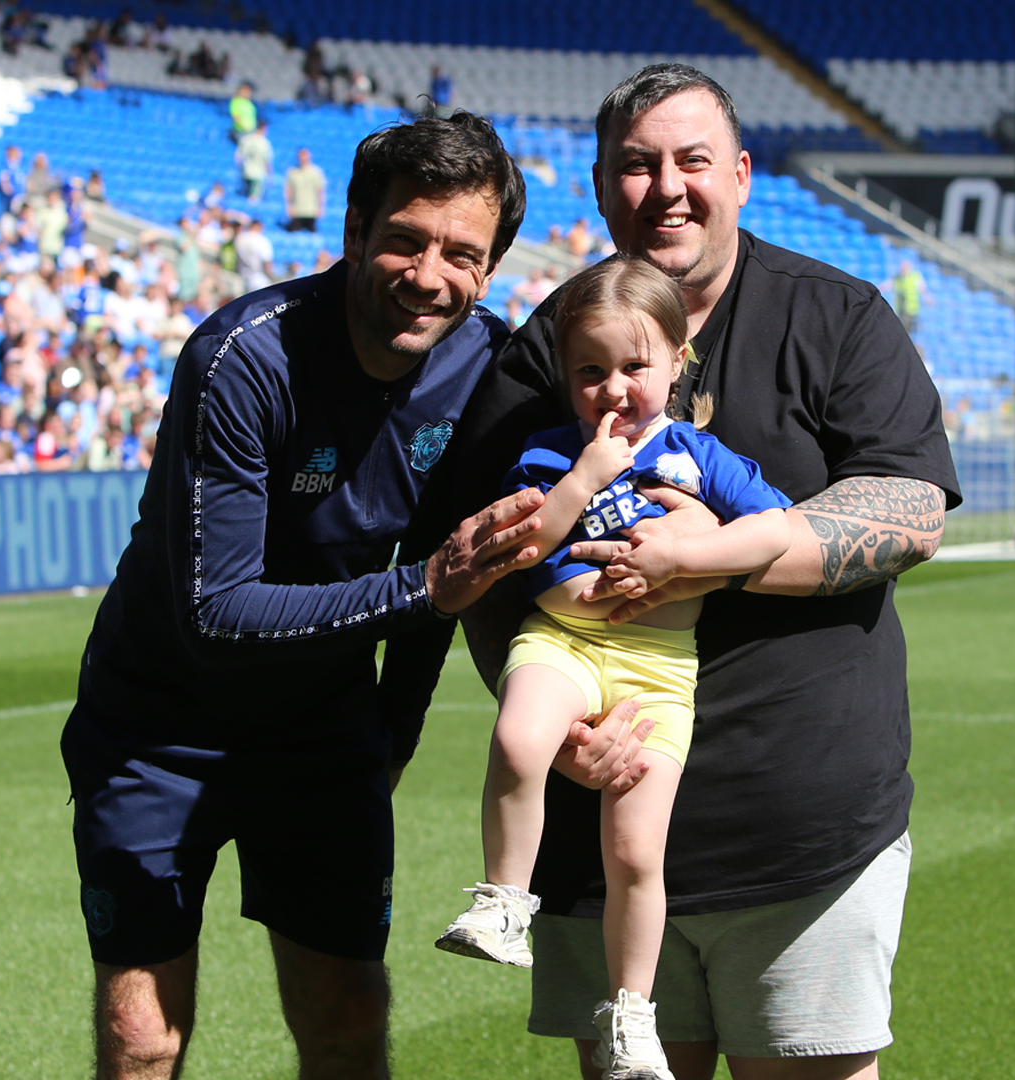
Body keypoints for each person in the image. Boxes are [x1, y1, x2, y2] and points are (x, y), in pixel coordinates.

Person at [58, 110, 641, 1080]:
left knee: (345, 1018)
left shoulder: (483, 370)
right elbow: (220, 610)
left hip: (325, 733)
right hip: (158, 723)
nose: (428, 275)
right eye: (405, 240)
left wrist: (391, 737)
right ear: (355, 231)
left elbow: (452, 584)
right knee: (141, 1039)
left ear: (491, 267)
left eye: (462, 253)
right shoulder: (242, 360)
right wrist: (423, 589)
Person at [429, 64, 959, 1080]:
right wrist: (556, 724)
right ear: (599, 187)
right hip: (599, 837)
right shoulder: (551, 348)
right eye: (636, 165)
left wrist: (704, 558)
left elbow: (911, 509)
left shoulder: (835, 315)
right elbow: (488, 564)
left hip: (803, 841)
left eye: (692, 160)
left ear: (743, 176)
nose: (666, 186)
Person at [435, 257, 792, 1080]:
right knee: (520, 742)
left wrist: (691, 553)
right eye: (590, 372)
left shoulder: (700, 457)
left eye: (635, 366)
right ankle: (501, 904)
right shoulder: (551, 451)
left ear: (677, 362)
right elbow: (525, 548)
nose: (613, 388)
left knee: (635, 851)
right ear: (566, 379)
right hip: (560, 641)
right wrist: (582, 480)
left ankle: (632, 1016)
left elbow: (775, 530)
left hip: (657, 667)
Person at [283, 146, 326, 232]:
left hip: (311, 210)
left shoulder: (316, 172)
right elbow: (288, 190)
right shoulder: (292, 172)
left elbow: (320, 191)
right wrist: (288, 206)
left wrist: (321, 207)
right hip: (297, 210)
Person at [237, 118, 274, 204]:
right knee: (254, 199)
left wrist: (240, 169)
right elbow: (267, 162)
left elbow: (239, 157)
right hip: (258, 174)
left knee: (245, 197)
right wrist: (270, 175)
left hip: (245, 173)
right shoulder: (264, 143)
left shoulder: (246, 140)